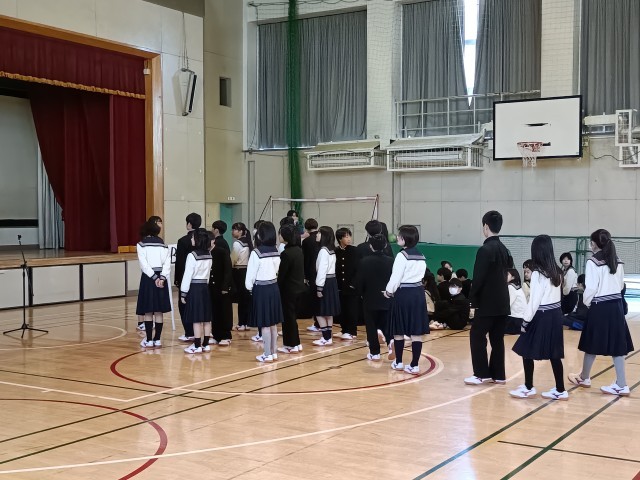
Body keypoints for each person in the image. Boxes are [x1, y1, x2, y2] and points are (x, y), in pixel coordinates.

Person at [568, 229, 634, 396]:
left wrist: (587, 303)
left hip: (600, 305)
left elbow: (591, 288)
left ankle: (586, 378)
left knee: (591, 342)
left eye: (591, 242)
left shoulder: (593, 262)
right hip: (616, 305)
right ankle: (620, 383)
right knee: (617, 345)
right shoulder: (617, 260)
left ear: (595, 244)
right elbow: (621, 285)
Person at [510, 235, 568, 401]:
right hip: (555, 314)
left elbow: (534, 301)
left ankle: (528, 387)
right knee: (554, 353)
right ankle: (560, 389)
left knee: (525, 348)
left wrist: (525, 321)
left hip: (542, 315)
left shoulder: (538, 273)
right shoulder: (557, 271)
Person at [464, 210, 513, 386]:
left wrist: (472, 300)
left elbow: (478, 278)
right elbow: (511, 272)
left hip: (487, 303)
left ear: (485, 226)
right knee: (497, 339)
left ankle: (481, 373)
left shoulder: (485, 250)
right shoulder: (505, 250)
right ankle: (499, 375)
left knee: (477, 336)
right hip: (503, 302)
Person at [385, 225, 428, 374]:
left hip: (403, 293)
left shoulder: (401, 255)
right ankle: (414, 365)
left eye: (400, 235)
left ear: (406, 238)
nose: (397, 237)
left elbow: (395, 277)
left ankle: (398, 362)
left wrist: (388, 292)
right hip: (418, 293)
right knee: (416, 332)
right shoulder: (421, 255)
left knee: (398, 330)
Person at [245, 221, 284, 362]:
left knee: (265, 324)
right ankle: (273, 352)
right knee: (272, 323)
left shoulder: (256, 253)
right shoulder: (276, 251)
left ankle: (267, 354)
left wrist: (249, 288)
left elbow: (250, 275)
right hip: (274, 287)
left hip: (261, 289)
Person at [355, 234, 394, 360]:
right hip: (387, 297)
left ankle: (374, 352)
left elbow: (360, 280)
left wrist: (360, 293)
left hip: (370, 297)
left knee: (371, 325)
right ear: (385, 245)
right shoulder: (391, 261)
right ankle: (391, 342)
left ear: (371, 246)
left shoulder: (364, 261)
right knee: (387, 323)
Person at [136, 220, 171, 348]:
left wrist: (154, 277)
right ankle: (158, 339)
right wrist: (162, 277)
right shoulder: (163, 245)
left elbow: (144, 265)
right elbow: (167, 263)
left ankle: (149, 340)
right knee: (159, 311)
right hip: (161, 277)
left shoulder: (141, 244)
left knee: (148, 311)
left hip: (148, 278)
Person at [181, 229, 213, 354]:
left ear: (198, 240)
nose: (191, 239)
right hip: (205, 287)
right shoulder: (209, 254)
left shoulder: (192, 255)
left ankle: (197, 345)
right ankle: (206, 344)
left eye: (193, 237)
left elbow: (187, 275)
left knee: (196, 319)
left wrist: (183, 292)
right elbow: (208, 275)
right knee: (206, 318)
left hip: (195, 288)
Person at [277, 224, 306, 354]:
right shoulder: (298, 250)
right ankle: (296, 343)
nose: (279, 236)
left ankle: (290, 344)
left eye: (280, 233)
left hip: (288, 290)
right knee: (292, 318)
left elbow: (282, 275)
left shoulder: (286, 253)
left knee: (288, 318)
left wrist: (277, 286)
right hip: (299, 288)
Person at [174, 212, 201, 342]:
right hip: (202, 278)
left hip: (186, 277)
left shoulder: (183, 241)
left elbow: (180, 263)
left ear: (189, 224)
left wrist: (177, 280)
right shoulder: (204, 238)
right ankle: (201, 332)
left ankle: (189, 332)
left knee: (184, 305)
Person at [312, 226, 341, 346]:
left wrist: (319, 287)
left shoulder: (323, 251)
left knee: (319, 311)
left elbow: (322, 270)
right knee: (328, 312)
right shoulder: (331, 250)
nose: (317, 235)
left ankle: (325, 337)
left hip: (324, 282)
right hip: (331, 281)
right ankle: (328, 338)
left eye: (319, 233)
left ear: (324, 236)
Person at [137, 215, 163, 332]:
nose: (161, 225)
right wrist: (157, 277)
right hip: (150, 275)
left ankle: (153, 337)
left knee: (155, 306)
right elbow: (144, 264)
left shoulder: (160, 242)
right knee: (148, 303)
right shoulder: (143, 242)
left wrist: (160, 277)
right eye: (159, 223)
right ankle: (141, 322)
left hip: (155, 275)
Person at [208, 231, 233, 346]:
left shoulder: (221, 252)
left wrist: (225, 286)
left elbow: (228, 270)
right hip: (211, 287)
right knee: (214, 311)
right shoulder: (206, 253)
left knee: (224, 311)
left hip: (222, 286)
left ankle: (226, 335)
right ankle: (216, 335)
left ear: (213, 241)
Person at [335, 227, 359, 340]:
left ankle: (352, 331)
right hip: (340, 286)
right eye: (346, 236)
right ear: (340, 239)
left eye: (349, 236)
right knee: (342, 309)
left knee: (351, 309)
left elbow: (358, 269)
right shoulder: (336, 251)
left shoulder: (354, 251)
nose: (348, 238)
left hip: (351, 286)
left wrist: (353, 283)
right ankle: (344, 329)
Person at [231, 222, 253, 332]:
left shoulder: (237, 243)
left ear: (240, 231)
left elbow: (233, 259)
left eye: (234, 230)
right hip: (247, 270)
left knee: (241, 299)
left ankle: (241, 323)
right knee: (246, 298)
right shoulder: (249, 242)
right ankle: (247, 323)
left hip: (239, 271)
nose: (232, 232)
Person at [301, 218, 321, 331]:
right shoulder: (323, 238)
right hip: (324, 272)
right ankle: (322, 323)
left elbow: (305, 260)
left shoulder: (306, 241)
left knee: (314, 298)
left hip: (312, 272)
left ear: (306, 228)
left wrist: (305, 276)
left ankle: (317, 323)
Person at [505, 269, 526, 335]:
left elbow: (508, 304)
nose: (505, 276)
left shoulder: (511, 287)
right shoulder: (517, 286)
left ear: (513, 277)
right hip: (520, 318)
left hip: (515, 319)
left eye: (507, 274)